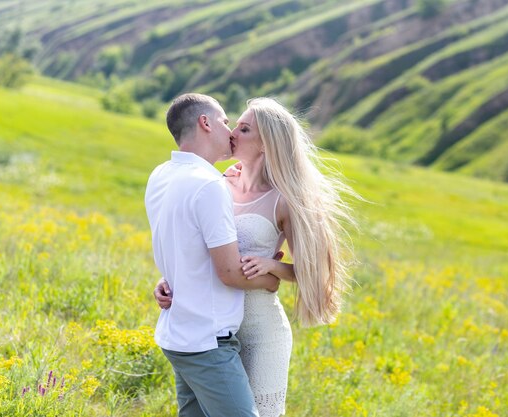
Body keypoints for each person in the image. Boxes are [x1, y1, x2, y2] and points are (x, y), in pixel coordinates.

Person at [155, 97, 356, 417]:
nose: (233, 132)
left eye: (244, 128)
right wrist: (170, 279)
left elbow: (315, 272)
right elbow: (196, 247)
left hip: (261, 332)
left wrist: (274, 267)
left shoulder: (284, 200)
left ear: (266, 144)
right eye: (234, 124)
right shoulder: (217, 184)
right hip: (213, 327)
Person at [145, 93, 280, 417]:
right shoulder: (209, 185)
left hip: (177, 333)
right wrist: (273, 279)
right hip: (207, 340)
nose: (230, 130)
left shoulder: (161, 174)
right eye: (224, 121)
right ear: (205, 123)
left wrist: (168, 279)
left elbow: (181, 247)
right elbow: (230, 273)